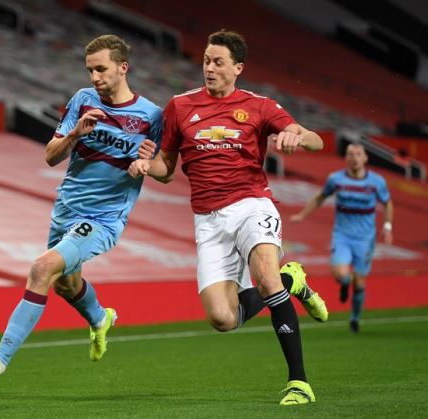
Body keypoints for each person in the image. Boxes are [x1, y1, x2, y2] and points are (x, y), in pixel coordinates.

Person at [128, 29, 328, 405]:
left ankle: (299, 382)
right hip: (208, 220)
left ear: (238, 67)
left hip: (252, 205)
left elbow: (315, 140)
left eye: (218, 62)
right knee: (223, 318)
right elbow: (166, 168)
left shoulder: (260, 106)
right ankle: (292, 280)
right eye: (206, 60)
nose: (209, 68)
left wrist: (297, 137)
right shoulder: (179, 106)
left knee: (265, 277)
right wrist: (144, 165)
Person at [0, 34, 162, 390]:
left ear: (123, 67)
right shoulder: (83, 100)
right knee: (65, 284)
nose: (95, 77)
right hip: (66, 209)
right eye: (90, 70)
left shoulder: (151, 116)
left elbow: (166, 169)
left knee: (42, 268)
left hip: (103, 219)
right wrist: (75, 134)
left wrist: (145, 166)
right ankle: (100, 318)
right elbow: (50, 156)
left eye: (101, 69)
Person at [291, 143, 393, 333]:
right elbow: (320, 197)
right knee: (341, 275)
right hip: (342, 236)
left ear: (365, 158)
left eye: (358, 154)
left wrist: (387, 226)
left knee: (360, 283)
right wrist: (302, 215)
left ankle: (354, 319)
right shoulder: (336, 179)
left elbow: (387, 203)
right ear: (345, 158)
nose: (354, 157)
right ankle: (345, 284)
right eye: (350, 154)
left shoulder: (376, 182)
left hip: (365, 239)